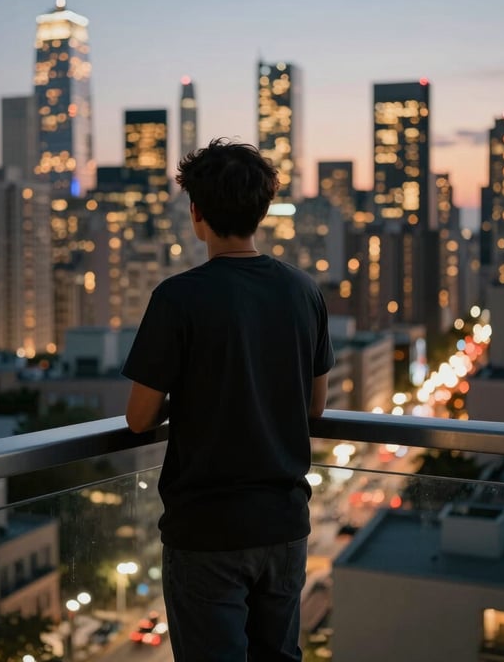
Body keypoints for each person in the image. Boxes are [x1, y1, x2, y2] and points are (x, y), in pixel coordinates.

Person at [122, 138, 335, 661]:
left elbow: (139, 417)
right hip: (284, 524)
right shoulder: (304, 291)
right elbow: (315, 408)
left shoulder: (177, 297)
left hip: (207, 531)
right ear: (262, 211)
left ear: (196, 212)